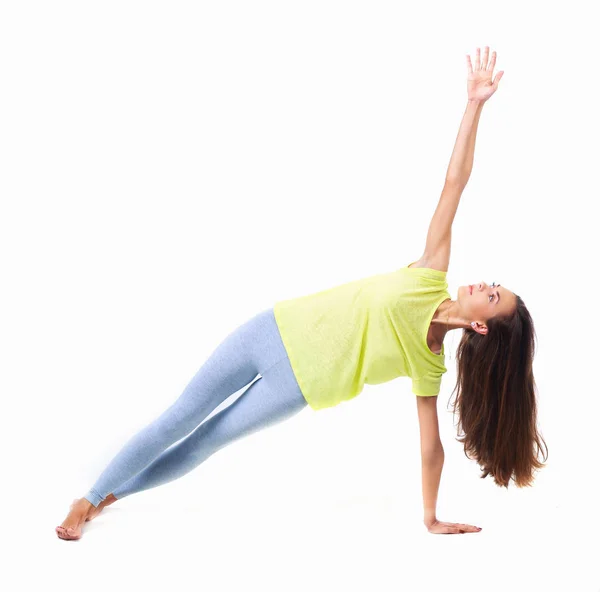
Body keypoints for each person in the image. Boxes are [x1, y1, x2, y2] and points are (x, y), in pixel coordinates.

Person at [56, 46, 547, 540]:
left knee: (204, 443)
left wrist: (430, 516)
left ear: (480, 325)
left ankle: (109, 495)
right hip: (270, 330)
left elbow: (429, 448)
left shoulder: (429, 361)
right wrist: (475, 104)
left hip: (293, 388)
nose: (485, 284)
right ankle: (91, 497)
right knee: (178, 417)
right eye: (494, 284)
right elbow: (454, 182)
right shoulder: (429, 273)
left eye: (491, 296)